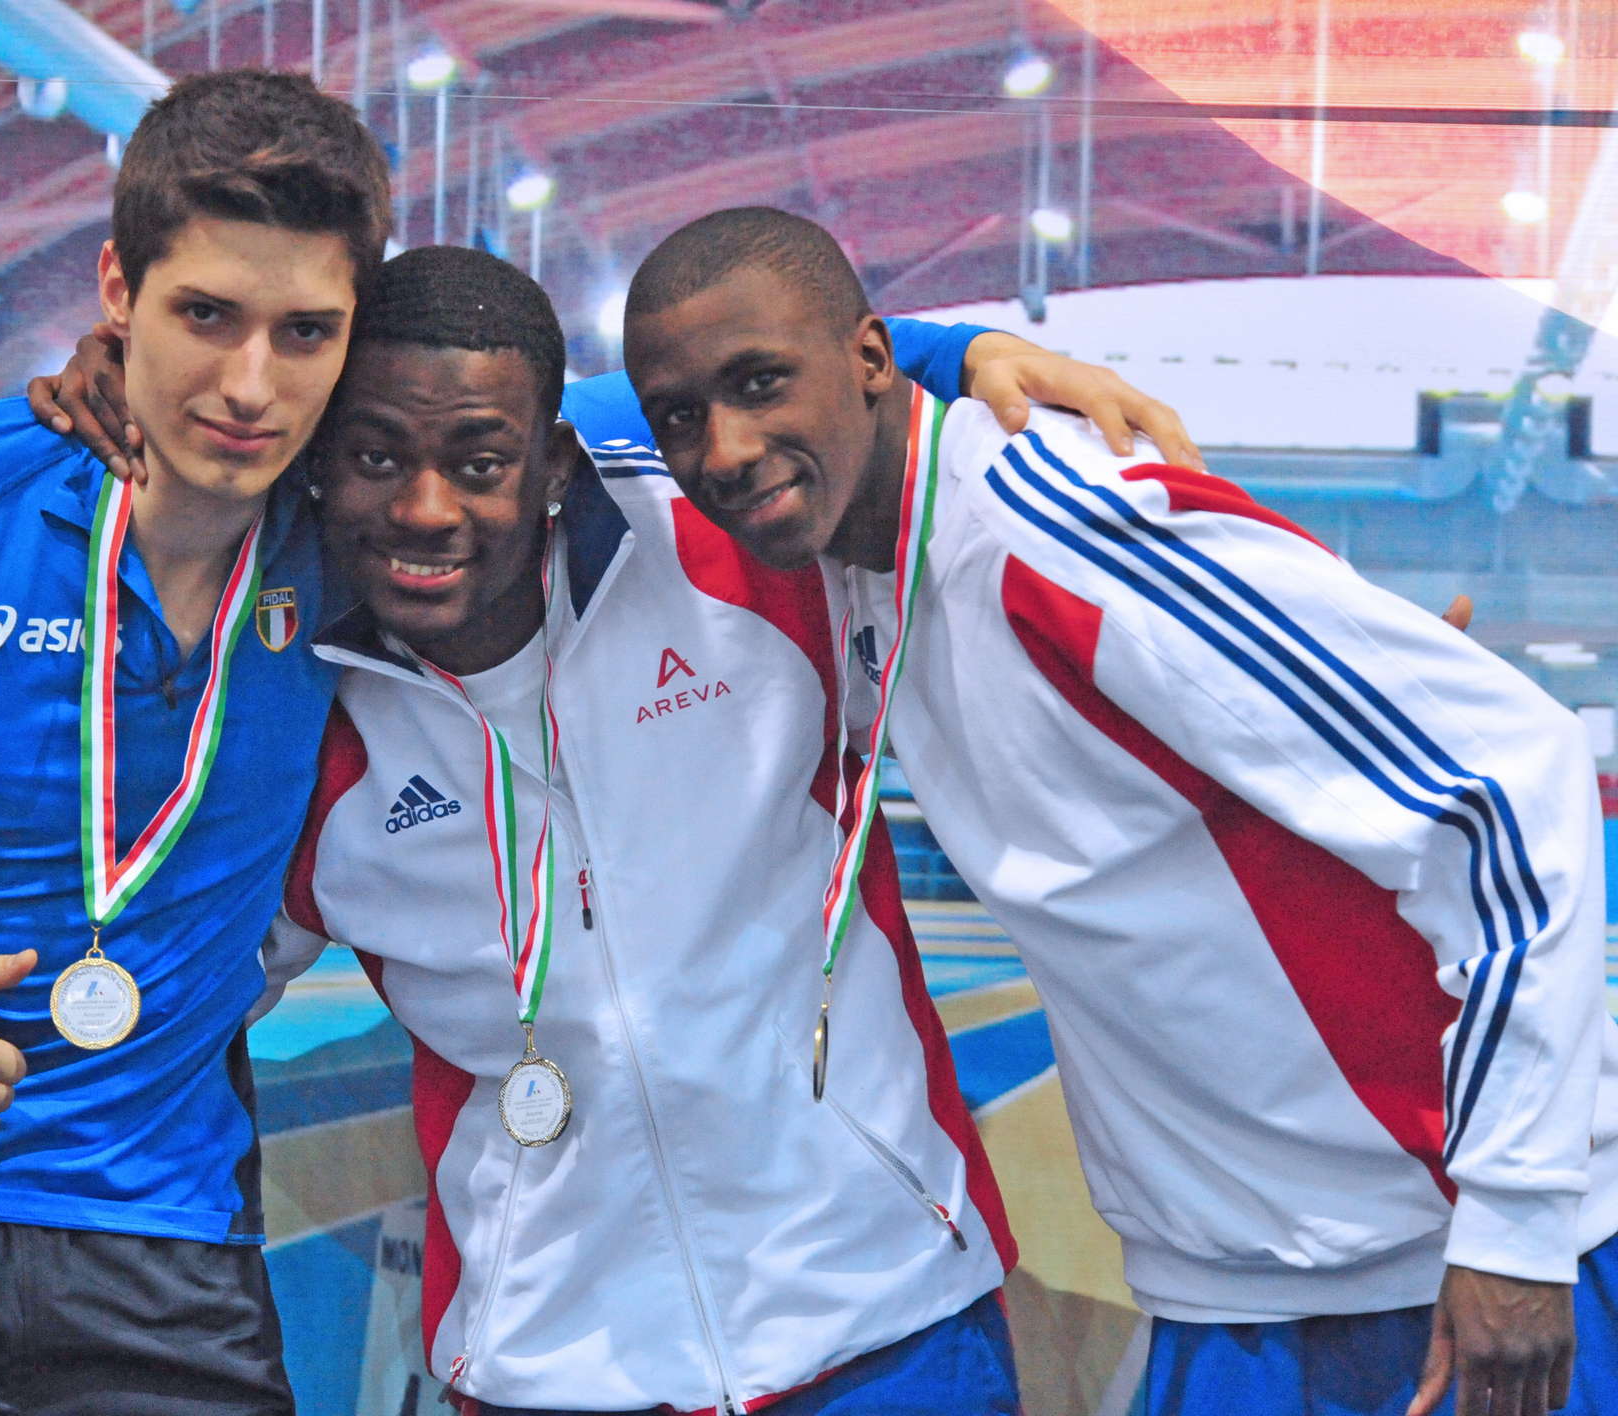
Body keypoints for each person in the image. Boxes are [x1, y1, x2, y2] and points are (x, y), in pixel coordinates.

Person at [613, 206, 1618, 1416]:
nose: (723, 449)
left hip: (1448, 1265)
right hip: (1234, 1285)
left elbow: (1510, 781)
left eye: (761, 383)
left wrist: (1516, 1226)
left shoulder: (1051, 527)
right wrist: (960, 348)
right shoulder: (861, 563)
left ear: (871, 359)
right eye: (680, 416)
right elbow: (545, 411)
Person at [264, 244, 1016, 1413]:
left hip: (885, 1313)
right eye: (373, 458)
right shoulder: (285, 718)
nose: (425, 509)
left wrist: (966, 351)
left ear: (553, 466)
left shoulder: (737, 554)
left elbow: (822, 375)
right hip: (550, 1364)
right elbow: (186, 984)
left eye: (479, 463)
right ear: (318, 465)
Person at [0, 71, 386, 1414]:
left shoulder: (358, 542)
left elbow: (608, 417)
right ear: (117, 288)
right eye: (203, 315)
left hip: (174, 1255)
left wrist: (894, 361)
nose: (250, 386)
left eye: (306, 332)